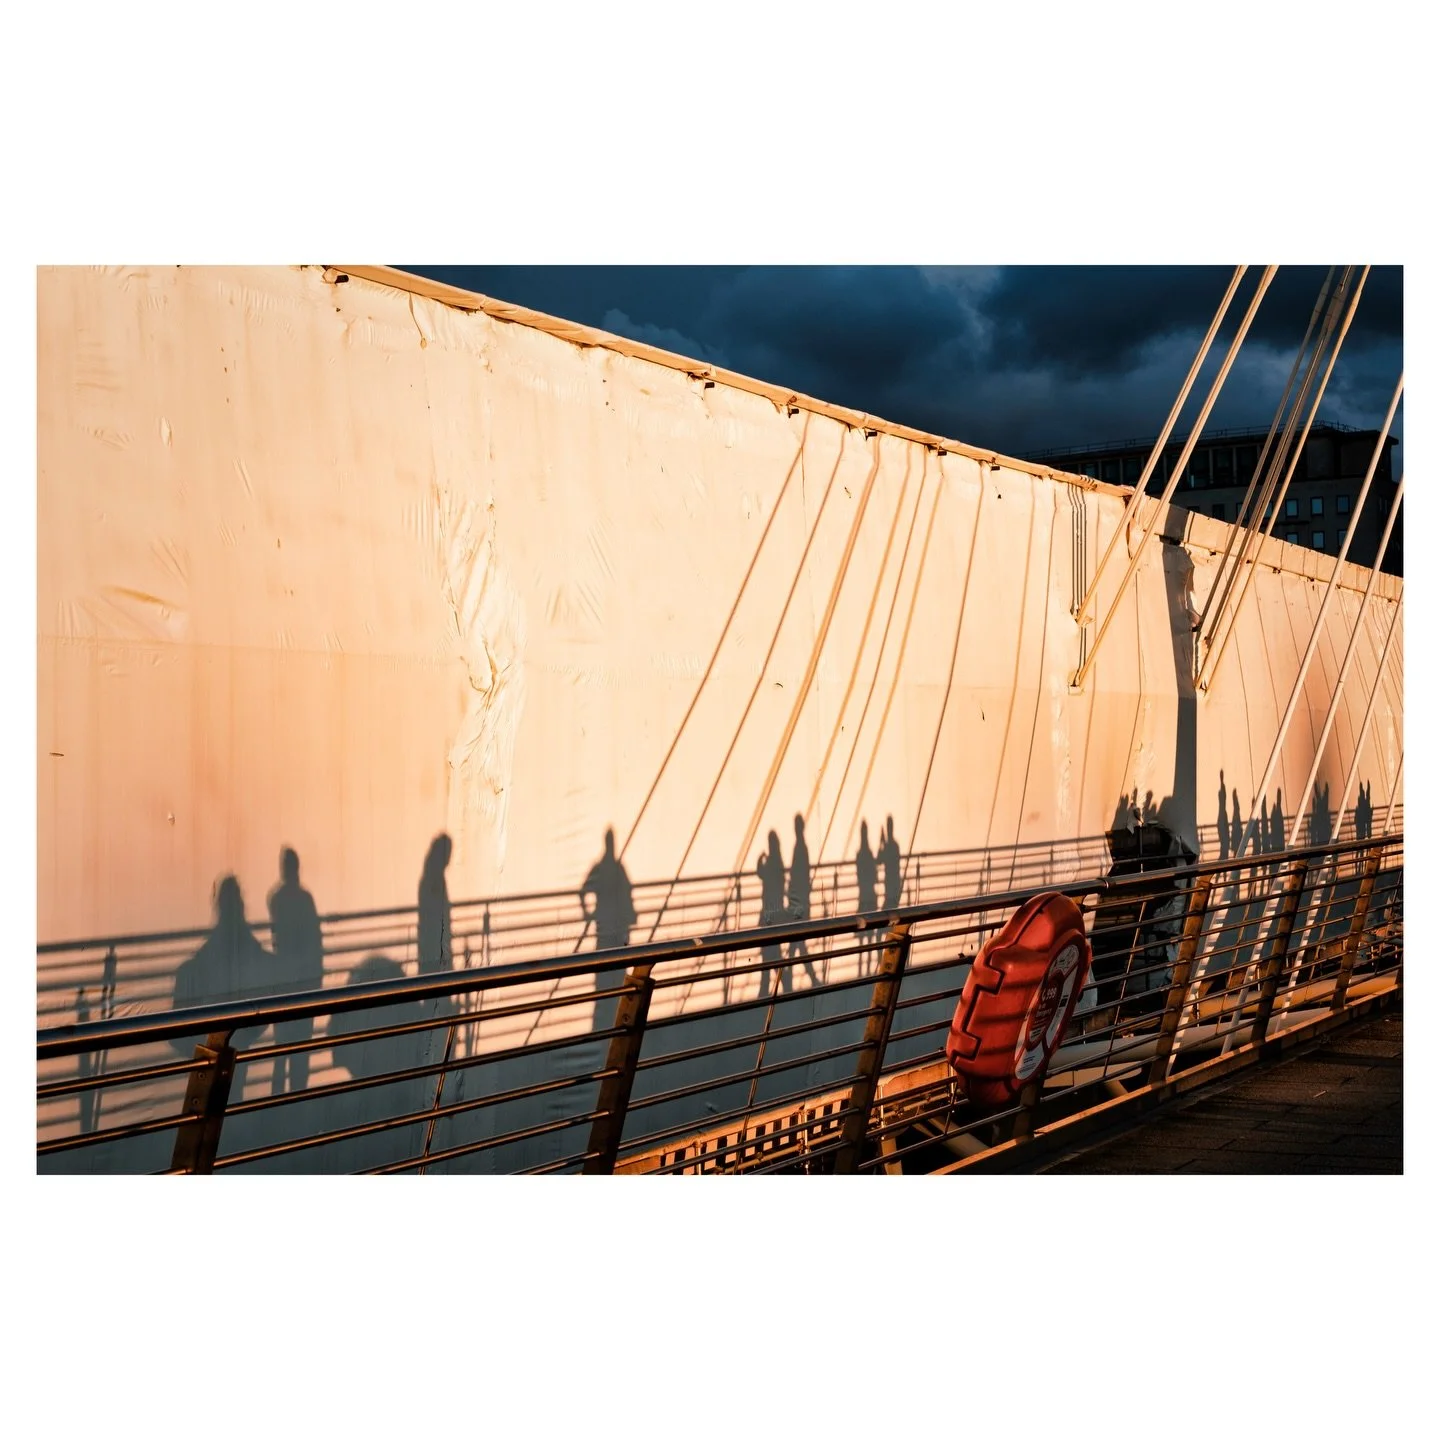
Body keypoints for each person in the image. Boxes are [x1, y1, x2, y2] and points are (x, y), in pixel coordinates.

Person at [171, 876, 273, 1054]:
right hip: (238, 1027)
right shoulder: (240, 937)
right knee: (234, 1068)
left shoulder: (217, 943)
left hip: (222, 1026)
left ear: (218, 904)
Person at [267, 847, 324, 1095]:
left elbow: (278, 937)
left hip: (283, 980)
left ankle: (277, 1101)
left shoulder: (276, 898)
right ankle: (297, 1098)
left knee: (281, 1049)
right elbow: (315, 940)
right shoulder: (304, 899)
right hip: (305, 982)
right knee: (301, 1047)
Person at [580, 828, 637, 951]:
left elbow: (583, 890)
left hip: (608, 922)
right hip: (613, 923)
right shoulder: (615, 868)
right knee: (615, 956)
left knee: (605, 956)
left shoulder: (601, 868)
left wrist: (586, 911)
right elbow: (628, 891)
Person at [756, 830, 786, 997]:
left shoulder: (773, 861)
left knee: (769, 951)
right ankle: (780, 980)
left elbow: (762, 874)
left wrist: (760, 860)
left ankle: (773, 984)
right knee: (771, 951)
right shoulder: (777, 860)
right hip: (775, 912)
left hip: (770, 913)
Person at [879, 815, 902, 910]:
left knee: (888, 909)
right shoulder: (894, 845)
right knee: (891, 908)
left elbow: (879, 861)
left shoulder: (891, 846)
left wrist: (881, 843)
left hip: (891, 882)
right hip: (893, 882)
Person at [855, 821, 878, 913]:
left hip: (864, 891)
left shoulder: (860, 854)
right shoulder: (869, 853)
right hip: (869, 891)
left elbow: (859, 873)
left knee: (863, 912)